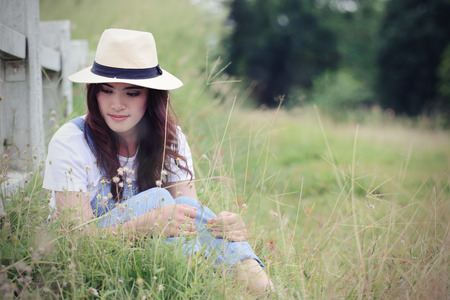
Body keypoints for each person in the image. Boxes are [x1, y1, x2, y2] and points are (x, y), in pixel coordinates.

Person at [43, 28, 273, 295]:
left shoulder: (170, 139)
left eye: (131, 93)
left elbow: (189, 211)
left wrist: (225, 226)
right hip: (84, 261)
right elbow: (73, 239)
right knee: (159, 200)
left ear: (151, 96)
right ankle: (200, 288)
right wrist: (146, 222)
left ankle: (264, 290)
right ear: (94, 93)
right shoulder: (72, 140)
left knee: (187, 207)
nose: (116, 104)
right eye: (106, 90)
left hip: (146, 254)